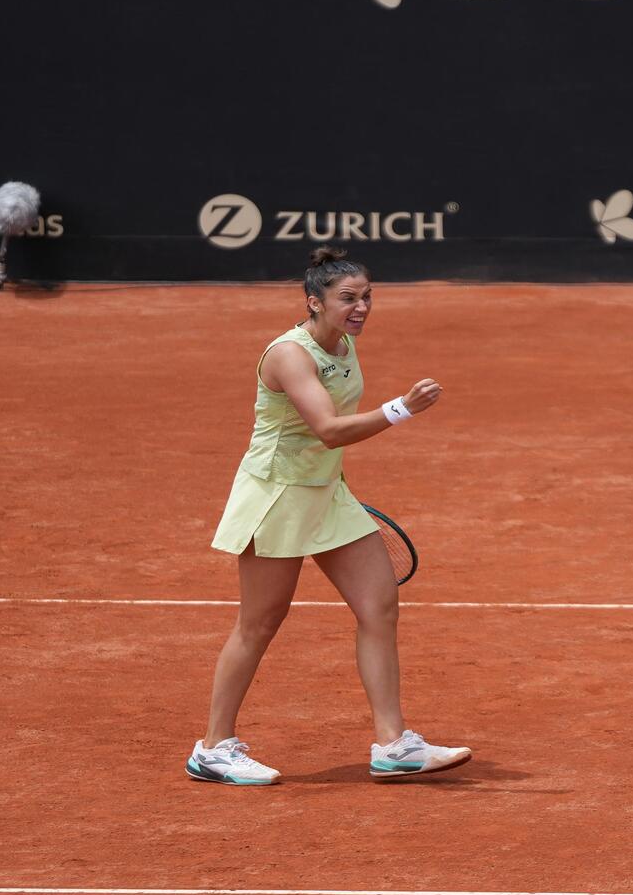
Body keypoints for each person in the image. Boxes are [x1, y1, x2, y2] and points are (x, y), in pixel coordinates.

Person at [188, 246, 470, 785]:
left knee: (379, 603)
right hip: (277, 496)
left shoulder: (341, 343)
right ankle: (213, 747)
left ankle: (393, 745)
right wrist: (401, 407)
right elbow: (329, 429)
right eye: (348, 299)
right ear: (313, 302)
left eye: (367, 297)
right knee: (260, 622)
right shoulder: (289, 355)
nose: (361, 308)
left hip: (326, 491)